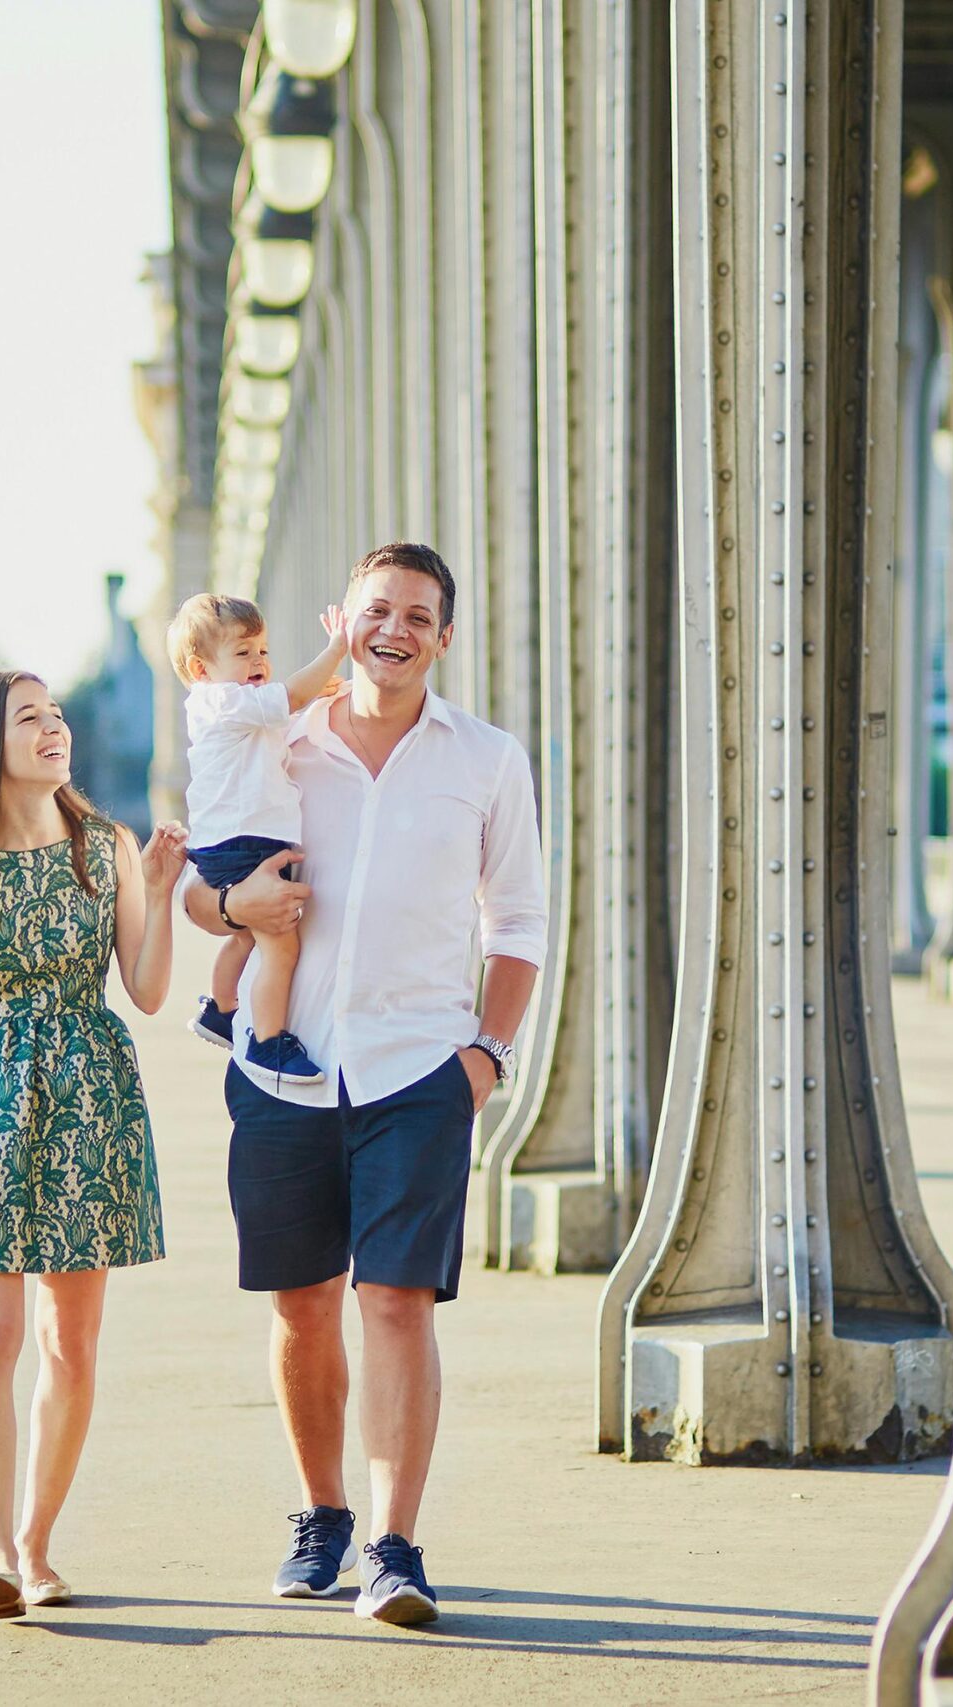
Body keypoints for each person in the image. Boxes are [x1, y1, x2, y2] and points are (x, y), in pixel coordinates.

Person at [184, 540, 545, 1625]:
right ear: (342, 618)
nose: (396, 628)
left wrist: (488, 1054)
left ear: (442, 635)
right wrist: (230, 914)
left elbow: (518, 920)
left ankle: (395, 1547)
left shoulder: (485, 759)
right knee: (302, 1310)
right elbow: (208, 890)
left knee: (395, 1305)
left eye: (419, 615)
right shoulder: (271, 738)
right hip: (281, 1072)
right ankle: (320, 1516)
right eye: (377, 608)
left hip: (419, 1071)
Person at [0, 668, 187, 1620]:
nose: (55, 727)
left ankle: (37, 1542)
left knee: (71, 1342)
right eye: (32, 717)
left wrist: (159, 886)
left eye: (57, 714)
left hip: (87, 1104)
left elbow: (144, 991)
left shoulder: (106, 846)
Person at [163, 590, 349, 1088]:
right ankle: (269, 1042)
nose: (258, 662)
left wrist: (321, 693)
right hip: (246, 843)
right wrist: (334, 649)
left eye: (263, 651)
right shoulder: (220, 701)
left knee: (248, 934)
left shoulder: (233, 709)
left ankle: (222, 1011)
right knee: (280, 948)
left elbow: (284, 713)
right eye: (242, 653)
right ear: (201, 669)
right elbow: (287, 699)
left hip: (234, 842)